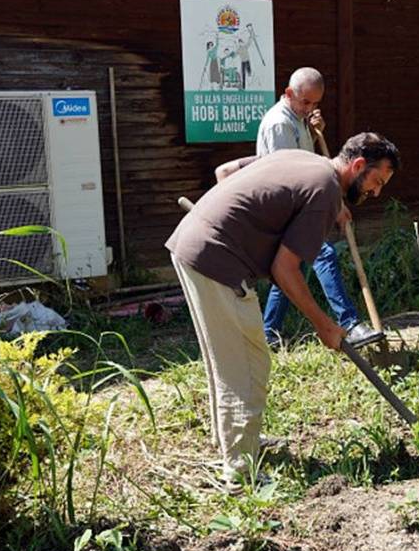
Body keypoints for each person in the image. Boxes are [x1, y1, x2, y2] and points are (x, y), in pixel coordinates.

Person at [166, 133, 399, 489]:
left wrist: (239, 225)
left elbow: (227, 173)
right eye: (376, 181)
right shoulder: (324, 191)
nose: (376, 192)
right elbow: (284, 269)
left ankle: (238, 443)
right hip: (214, 259)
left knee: (230, 358)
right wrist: (324, 326)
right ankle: (240, 472)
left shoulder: (305, 161)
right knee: (245, 362)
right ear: (357, 166)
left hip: (197, 244)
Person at [254, 67, 378, 348]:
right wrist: (333, 205)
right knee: (324, 254)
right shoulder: (279, 124)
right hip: (283, 208)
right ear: (288, 94)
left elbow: (308, 161)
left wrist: (314, 131)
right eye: (305, 101)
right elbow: (291, 175)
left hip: (295, 205)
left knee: (287, 269)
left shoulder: (297, 118)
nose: (310, 108)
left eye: (315, 103)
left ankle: (268, 333)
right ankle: (350, 323)